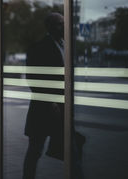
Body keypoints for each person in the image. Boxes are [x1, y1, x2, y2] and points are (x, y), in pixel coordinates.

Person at [22, 12, 84, 179]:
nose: (63, 27)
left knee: (72, 151)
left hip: (62, 108)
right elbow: (34, 79)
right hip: (44, 109)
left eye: (64, 23)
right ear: (49, 27)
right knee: (35, 151)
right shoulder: (38, 48)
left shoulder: (65, 46)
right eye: (59, 24)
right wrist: (51, 103)